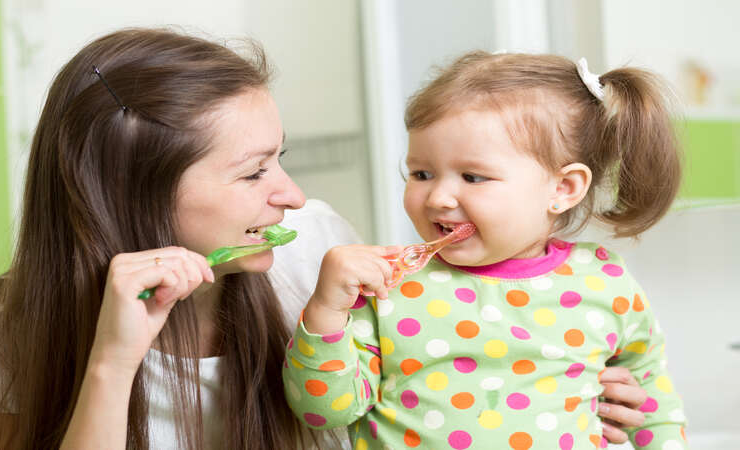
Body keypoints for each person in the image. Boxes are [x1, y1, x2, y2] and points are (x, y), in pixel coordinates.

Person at [0, 29, 648, 450]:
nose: (288, 193)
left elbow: (420, 382)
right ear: (134, 192)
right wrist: (112, 360)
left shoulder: (314, 249)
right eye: (254, 172)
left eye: (280, 157)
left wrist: (565, 385)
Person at [283, 51, 688, 449]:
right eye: (421, 173)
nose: (439, 197)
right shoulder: (390, 283)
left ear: (563, 189)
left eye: (473, 177)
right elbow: (324, 412)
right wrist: (326, 310)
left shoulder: (606, 283)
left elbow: (654, 405)